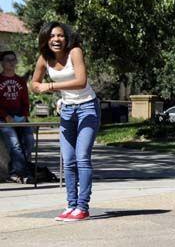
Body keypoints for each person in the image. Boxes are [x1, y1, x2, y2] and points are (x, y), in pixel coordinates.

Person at [31, 22, 100, 221]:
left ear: (66, 38)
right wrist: (38, 87)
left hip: (87, 107)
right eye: (52, 36)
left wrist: (50, 86)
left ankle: (83, 207)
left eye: (60, 35)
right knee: (68, 160)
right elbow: (34, 83)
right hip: (67, 110)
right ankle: (71, 206)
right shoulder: (44, 58)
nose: (56, 39)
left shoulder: (75, 52)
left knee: (82, 157)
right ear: (46, 39)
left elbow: (81, 81)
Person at [0, 50, 36, 183]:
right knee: (15, 144)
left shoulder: (20, 81)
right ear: (2, 63)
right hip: (3, 118)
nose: (11, 62)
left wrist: (25, 116)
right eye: (8, 60)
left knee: (30, 141)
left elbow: (25, 102)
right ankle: (23, 174)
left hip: (20, 116)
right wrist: (6, 116)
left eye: (13, 60)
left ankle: (16, 171)